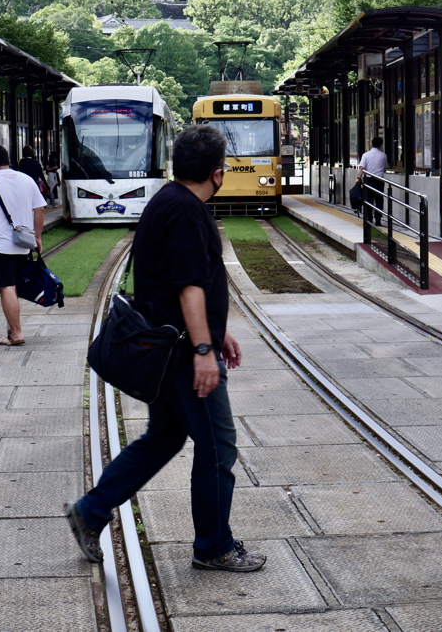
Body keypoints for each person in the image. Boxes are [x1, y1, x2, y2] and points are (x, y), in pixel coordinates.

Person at [65, 124, 266, 573]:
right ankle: (214, 546)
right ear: (219, 173)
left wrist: (217, 333)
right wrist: (202, 351)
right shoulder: (187, 212)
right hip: (179, 352)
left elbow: (181, 286)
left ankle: (91, 511)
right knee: (218, 447)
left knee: (165, 437)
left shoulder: (168, 201)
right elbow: (189, 288)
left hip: (171, 344)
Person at [0, 144, 45, 346]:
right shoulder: (26, 179)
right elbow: (39, 209)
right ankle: (12, 331)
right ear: (9, 161)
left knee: (7, 287)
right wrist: (37, 237)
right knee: (13, 287)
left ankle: (18, 333)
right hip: (22, 243)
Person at [357, 137, 388, 227]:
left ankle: (369, 219)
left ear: (371, 144)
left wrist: (358, 178)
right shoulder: (383, 155)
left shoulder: (365, 155)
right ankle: (378, 218)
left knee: (368, 200)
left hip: (368, 180)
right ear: (381, 145)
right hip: (379, 180)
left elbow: (362, 168)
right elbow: (385, 166)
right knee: (379, 200)